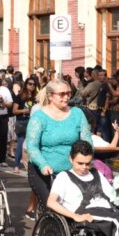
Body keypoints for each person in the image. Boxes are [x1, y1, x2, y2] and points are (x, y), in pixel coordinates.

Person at [26, 78, 93, 209]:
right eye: (62, 94)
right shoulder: (39, 117)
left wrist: (87, 159)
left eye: (69, 93)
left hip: (73, 170)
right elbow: (32, 146)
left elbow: (87, 140)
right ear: (50, 96)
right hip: (45, 171)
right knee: (52, 208)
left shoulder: (77, 113)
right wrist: (43, 165)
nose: (67, 97)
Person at [12, 78, 38, 170]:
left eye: (34, 84)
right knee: (20, 143)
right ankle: (16, 165)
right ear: (26, 85)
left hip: (33, 121)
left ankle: (31, 164)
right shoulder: (19, 96)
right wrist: (25, 110)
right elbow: (14, 111)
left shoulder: (36, 97)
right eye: (30, 84)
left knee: (33, 143)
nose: (32, 86)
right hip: (22, 121)